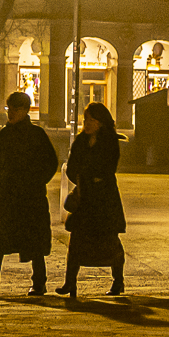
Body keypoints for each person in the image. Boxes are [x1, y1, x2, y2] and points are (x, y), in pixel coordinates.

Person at [0, 92, 58, 299]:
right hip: (9, 195)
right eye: (8, 109)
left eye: (14, 109)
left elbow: (51, 163)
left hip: (31, 197)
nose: (10, 113)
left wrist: (37, 181)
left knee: (33, 241)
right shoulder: (4, 135)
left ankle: (39, 282)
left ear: (25, 111)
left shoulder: (37, 135)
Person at [57, 100, 127, 299]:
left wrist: (91, 175)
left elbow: (108, 167)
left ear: (101, 122)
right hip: (85, 196)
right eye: (85, 120)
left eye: (91, 120)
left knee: (109, 239)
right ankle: (70, 282)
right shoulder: (80, 141)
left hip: (104, 198)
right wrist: (81, 177)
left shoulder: (109, 141)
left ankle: (118, 280)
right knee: (77, 239)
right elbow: (72, 166)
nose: (86, 124)